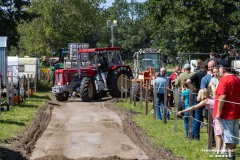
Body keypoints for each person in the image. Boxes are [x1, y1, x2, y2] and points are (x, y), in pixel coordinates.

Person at [178, 88, 224, 153]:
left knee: (218, 134)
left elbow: (194, 107)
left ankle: (219, 151)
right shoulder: (212, 98)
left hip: (217, 119)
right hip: (221, 117)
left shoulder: (205, 101)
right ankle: (221, 149)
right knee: (221, 134)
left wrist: (182, 111)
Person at [213, 62, 240, 160]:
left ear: (223, 69)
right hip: (236, 112)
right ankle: (231, 155)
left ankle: (231, 156)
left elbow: (222, 97)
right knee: (234, 134)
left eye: (219, 69)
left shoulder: (224, 80)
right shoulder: (237, 79)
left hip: (227, 113)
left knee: (228, 136)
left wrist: (218, 112)